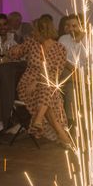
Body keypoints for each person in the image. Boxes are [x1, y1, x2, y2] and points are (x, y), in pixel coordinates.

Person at [7, 15, 70, 146]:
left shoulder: (60, 49)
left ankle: (40, 120)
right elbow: (13, 53)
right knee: (50, 94)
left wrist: (37, 82)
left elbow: (55, 73)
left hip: (46, 83)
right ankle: (61, 134)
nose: (31, 33)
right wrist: (12, 48)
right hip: (27, 85)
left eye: (34, 30)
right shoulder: (31, 43)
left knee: (46, 89)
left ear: (42, 31)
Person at [58, 14, 93, 126]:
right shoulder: (63, 39)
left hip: (81, 77)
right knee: (70, 81)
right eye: (69, 26)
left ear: (82, 26)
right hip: (65, 74)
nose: (71, 29)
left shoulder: (89, 43)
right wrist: (75, 72)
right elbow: (61, 60)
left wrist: (83, 77)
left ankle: (72, 123)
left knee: (72, 89)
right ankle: (73, 124)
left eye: (74, 26)